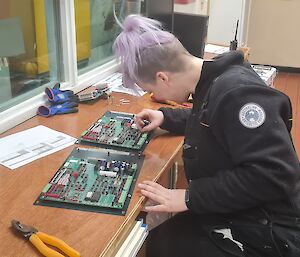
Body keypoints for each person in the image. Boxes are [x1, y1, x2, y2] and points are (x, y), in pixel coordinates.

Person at [113, 15, 300, 257]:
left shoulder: (240, 95)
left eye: (151, 89)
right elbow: (212, 116)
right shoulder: (216, 78)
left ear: (162, 77)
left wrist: (190, 197)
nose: (153, 94)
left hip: (273, 227)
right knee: (163, 237)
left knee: (164, 245)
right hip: (252, 207)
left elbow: (274, 175)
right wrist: (166, 117)